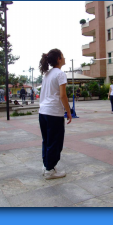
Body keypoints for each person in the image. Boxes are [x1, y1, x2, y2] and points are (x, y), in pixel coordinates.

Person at [39, 48, 72, 180]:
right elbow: (63, 95)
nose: (64, 58)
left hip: (43, 113)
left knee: (47, 141)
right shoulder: (60, 74)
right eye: (63, 56)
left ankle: (47, 165)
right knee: (55, 142)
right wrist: (68, 111)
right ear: (58, 59)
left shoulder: (47, 74)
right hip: (54, 113)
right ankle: (49, 171)